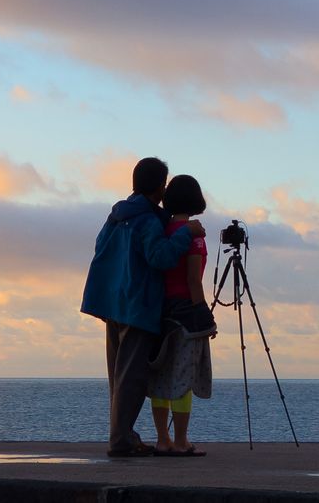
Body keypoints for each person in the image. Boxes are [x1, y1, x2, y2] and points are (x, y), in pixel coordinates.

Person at [80, 157, 205, 458]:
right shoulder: (148, 220)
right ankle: (121, 441)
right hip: (137, 306)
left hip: (112, 302)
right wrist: (185, 233)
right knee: (132, 377)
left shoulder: (118, 214)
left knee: (117, 376)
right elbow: (160, 258)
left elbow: (100, 247)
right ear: (159, 186)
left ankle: (123, 436)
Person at [148, 173, 215, 457]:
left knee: (162, 377)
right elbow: (193, 280)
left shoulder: (162, 230)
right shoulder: (194, 236)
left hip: (160, 311)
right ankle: (181, 441)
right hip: (186, 312)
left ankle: (162, 440)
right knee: (183, 378)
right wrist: (204, 315)